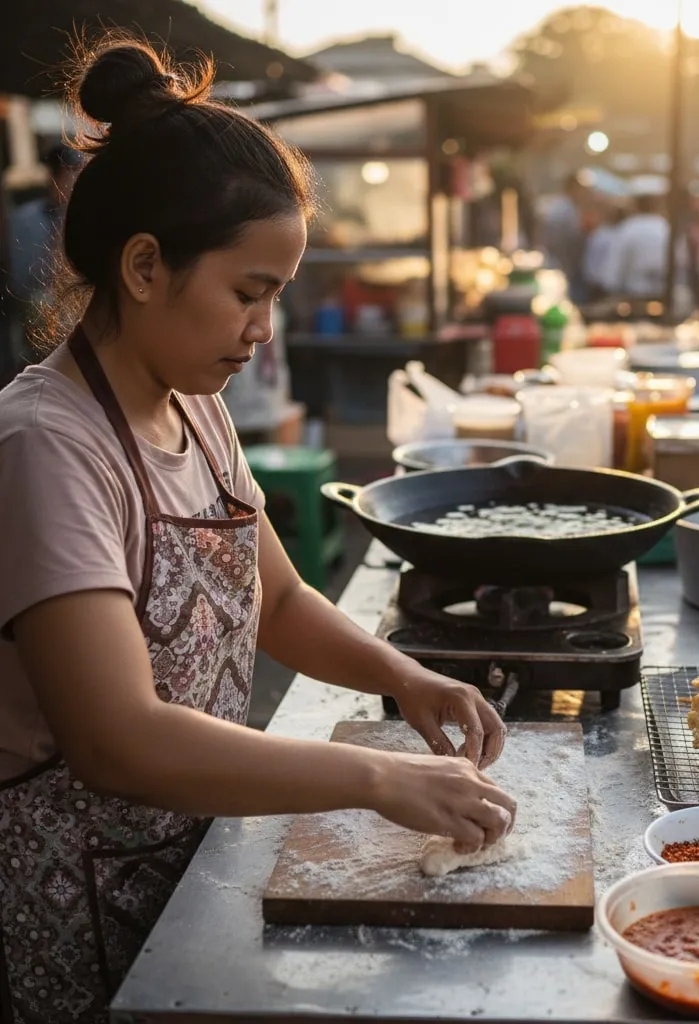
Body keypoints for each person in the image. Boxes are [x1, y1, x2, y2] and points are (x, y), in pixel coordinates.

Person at [0, 39, 513, 1024]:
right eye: (250, 292)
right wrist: (374, 775)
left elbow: (275, 596)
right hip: (84, 913)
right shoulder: (45, 448)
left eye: (276, 295)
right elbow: (118, 740)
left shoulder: (194, 403)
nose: (264, 328)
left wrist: (401, 677)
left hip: (193, 864)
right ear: (145, 265)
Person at [6, 143, 83, 367]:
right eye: (66, 172)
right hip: (39, 311)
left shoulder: (84, 218)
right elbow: (21, 279)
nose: (71, 180)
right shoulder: (25, 219)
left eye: (74, 172)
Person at [539, 171, 590, 303]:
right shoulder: (563, 209)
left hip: (565, 264)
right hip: (562, 264)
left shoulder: (567, 207)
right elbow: (564, 239)